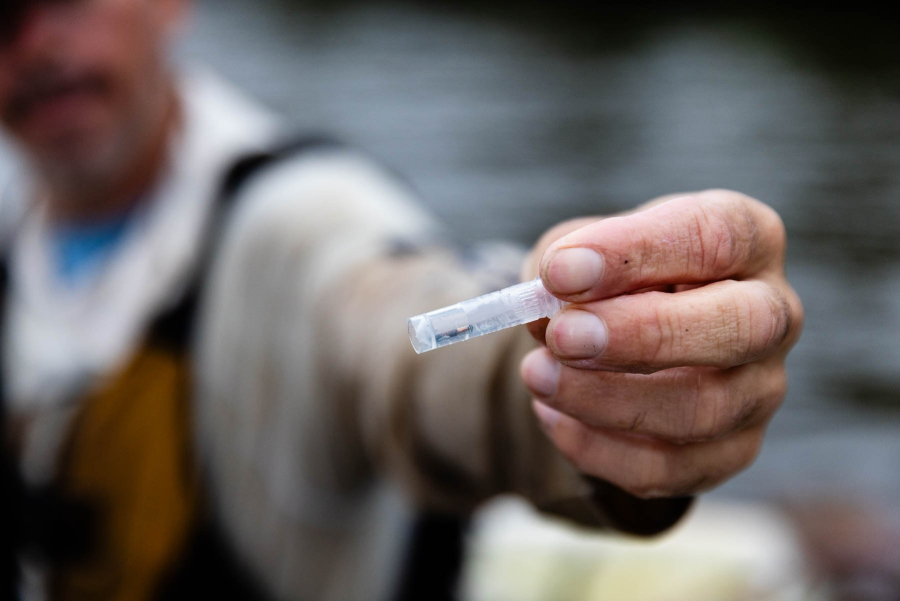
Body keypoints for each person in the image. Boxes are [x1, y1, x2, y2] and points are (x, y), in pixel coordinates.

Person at [0, 1, 804, 600]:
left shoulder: (300, 218)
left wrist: (608, 393)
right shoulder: (17, 248)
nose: (32, 47)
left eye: (62, 4)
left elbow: (408, 330)